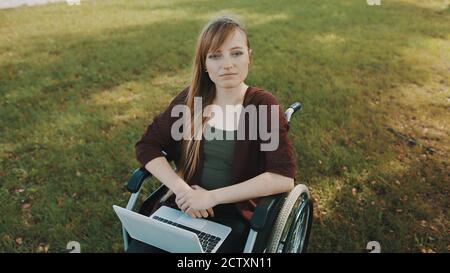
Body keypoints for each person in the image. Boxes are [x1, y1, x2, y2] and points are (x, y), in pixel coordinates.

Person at [128, 15, 296, 253]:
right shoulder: (192, 101)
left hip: (235, 216)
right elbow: (148, 146)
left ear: (249, 56)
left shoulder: (262, 106)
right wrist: (183, 190)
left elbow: (282, 177)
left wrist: (212, 197)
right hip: (185, 205)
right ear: (204, 64)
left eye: (236, 53)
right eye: (216, 55)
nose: (227, 64)